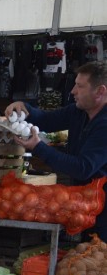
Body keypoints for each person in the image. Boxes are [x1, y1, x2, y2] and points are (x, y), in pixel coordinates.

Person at [6, 60, 107, 239]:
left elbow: (83, 168)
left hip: (104, 210)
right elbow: (47, 119)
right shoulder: (79, 111)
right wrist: (25, 108)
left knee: (98, 259)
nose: (73, 91)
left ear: (100, 92)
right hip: (87, 204)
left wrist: (39, 147)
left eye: (80, 86)